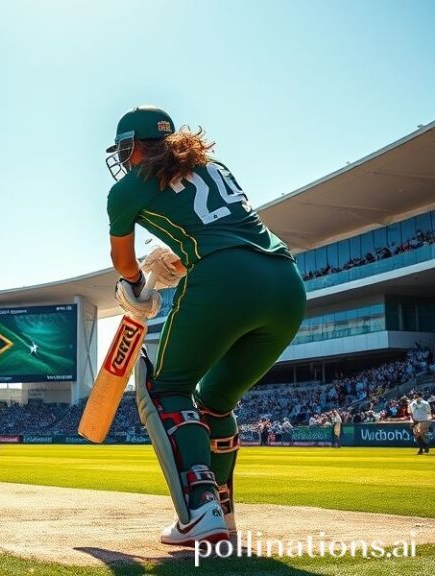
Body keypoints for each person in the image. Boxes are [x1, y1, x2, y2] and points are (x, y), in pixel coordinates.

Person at [105, 106, 306, 545]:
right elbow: (221, 224)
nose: (124, 158)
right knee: (215, 401)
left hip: (224, 279)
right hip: (286, 285)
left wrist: (137, 283)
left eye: (125, 149)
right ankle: (224, 513)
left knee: (168, 388)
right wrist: (178, 253)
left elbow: (122, 261)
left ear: (134, 146)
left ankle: (200, 508)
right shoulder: (214, 166)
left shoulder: (127, 189)